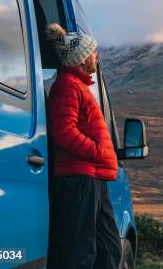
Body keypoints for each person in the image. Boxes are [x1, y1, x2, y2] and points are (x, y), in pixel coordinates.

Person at [45, 22, 121, 269]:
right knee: (81, 253)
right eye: (93, 52)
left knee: (108, 248)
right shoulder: (67, 86)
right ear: (81, 58)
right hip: (80, 177)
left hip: (93, 178)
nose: (96, 56)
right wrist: (98, 152)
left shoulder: (78, 86)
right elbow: (64, 132)